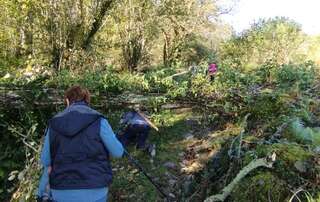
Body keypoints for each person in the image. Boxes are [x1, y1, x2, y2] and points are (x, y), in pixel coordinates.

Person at [37, 85, 124, 202]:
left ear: (67, 101)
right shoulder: (99, 120)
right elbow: (118, 152)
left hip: (61, 190)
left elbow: (45, 160)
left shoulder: (54, 124)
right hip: (95, 189)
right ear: (87, 101)